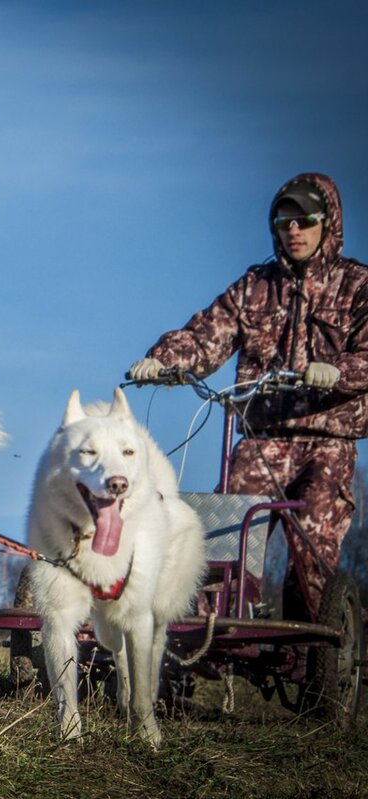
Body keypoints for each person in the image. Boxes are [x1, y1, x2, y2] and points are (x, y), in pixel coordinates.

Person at [129, 172, 368, 619]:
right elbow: (206, 335)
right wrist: (163, 360)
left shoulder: (356, 285)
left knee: (312, 553)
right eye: (283, 221)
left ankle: (309, 653)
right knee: (222, 538)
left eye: (304, 220)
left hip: (327, 442)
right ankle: (206, 631)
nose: (293, 230)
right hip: (261, 439)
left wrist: (338, 371)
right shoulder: (255, 287)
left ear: (328, 223)